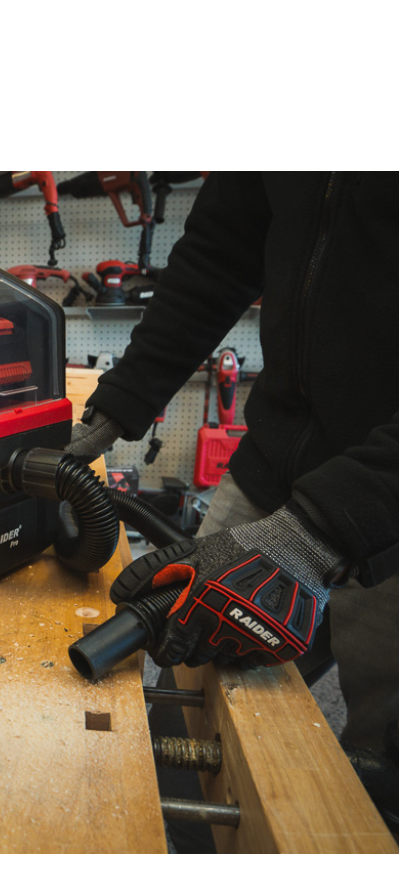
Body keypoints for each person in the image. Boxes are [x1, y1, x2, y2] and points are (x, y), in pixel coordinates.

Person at [64, 171, 399, 757]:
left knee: (379, 763)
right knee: (189, 695)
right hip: (272, 467)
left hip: (389, 501)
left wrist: (320, 531)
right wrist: (122, 401)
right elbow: (221, 250)